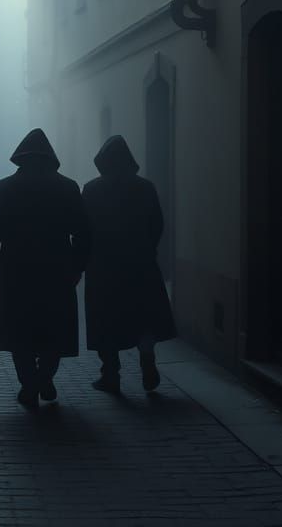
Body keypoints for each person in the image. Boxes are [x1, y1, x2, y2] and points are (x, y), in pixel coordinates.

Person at [0, 128, 90, 407]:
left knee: (19, 330)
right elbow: (84, 231)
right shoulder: (67, 186)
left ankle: (30, 381)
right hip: (57, 268)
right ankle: (44, 378)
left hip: (15, 269)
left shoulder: (6, 187)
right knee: (54, 329)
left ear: (21, 159)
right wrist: (78, 265)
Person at [82, 134, 176, 394]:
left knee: (106, 322)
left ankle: (110, 374)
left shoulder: (91, 189)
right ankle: (147, 360)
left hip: (103, 268)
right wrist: (147, 249)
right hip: (141, 265)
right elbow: (157, 224)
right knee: (144, 318)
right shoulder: (145, 187)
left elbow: (83, 229)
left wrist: (83, 259)